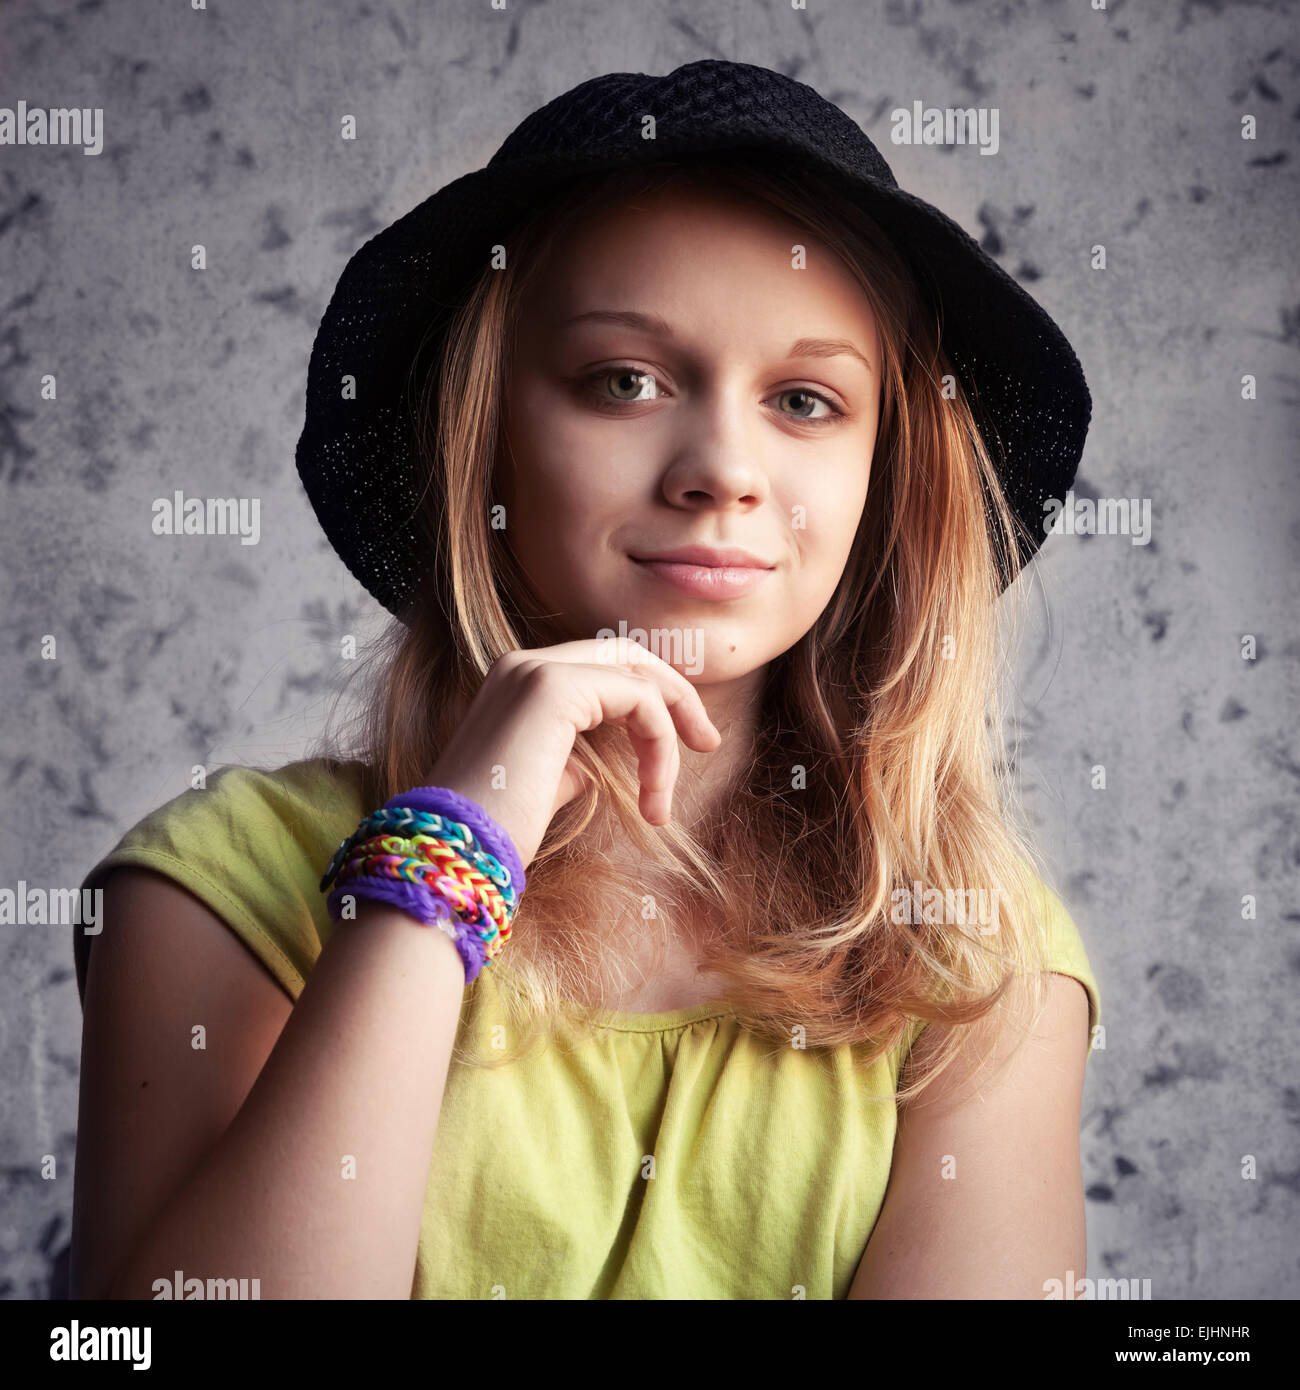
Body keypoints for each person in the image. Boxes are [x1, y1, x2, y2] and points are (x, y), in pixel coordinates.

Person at [69, 60, 1101, 1300]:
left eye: (806, 399)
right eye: (625, 381)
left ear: (885, 480)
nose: (722, 466)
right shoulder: (223, 885)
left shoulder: (970, 957)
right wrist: (447, 859)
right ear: (481, 433)